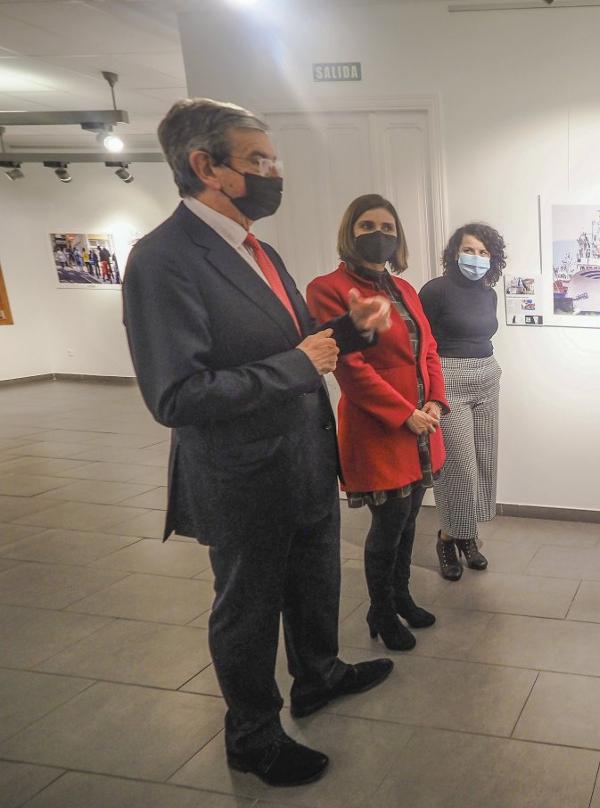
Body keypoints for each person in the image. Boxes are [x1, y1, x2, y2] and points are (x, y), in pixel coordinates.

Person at [122, 99, 397, 788]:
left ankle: (320, 674)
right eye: (259, 161)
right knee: (247, 610)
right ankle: (251, 733)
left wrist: (356, 331)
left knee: (314, 580)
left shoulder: (258, 248)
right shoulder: (163, 260)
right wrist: (298, 366)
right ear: (204, 166)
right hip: (241, 474)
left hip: (304, 458)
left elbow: (306, 346)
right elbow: (176, 396)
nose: (275, 172)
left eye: (273, 159)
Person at [307, 194, 448, 652]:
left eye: (387, 226)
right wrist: (403, 414)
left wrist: (435, 404)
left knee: (410, 521)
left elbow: (428, 350)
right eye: (367, 225)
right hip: (378, 428)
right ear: (351, 232)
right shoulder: (326, 287)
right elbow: (350, 366)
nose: (379, 234)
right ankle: (381, 610)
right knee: (388, 524)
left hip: (422, 426)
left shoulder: (405, 290)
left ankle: (401, 597)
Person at [419, 223, 504, 581]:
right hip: (449, 379)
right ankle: (446, 538)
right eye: (470, 250)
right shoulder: (435, 291)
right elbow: (421, 345)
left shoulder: (489, 293)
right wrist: (428, 393)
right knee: (457, 467)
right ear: (455, 252)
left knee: (484, 460)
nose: (476, 258)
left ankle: (468, 535)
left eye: (484, 253)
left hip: (487, 375)